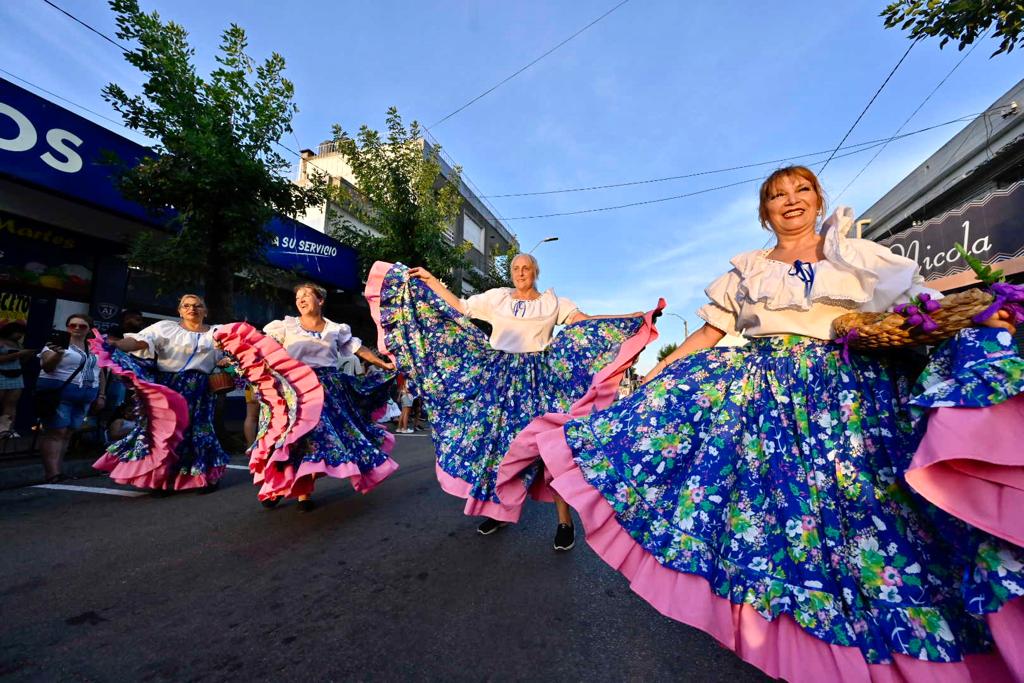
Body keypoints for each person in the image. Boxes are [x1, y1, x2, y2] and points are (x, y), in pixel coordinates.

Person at [520, 166, 1023, 680]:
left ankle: (888, 642)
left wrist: (984, 319)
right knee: (783, 521)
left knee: (873, 518)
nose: (790, 200)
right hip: (763, 406)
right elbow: (708, 333)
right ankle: (802, 640)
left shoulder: (859, 257)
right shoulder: (747, 270)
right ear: (765, 212)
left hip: (849, 408)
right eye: (777, 195)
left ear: (818, 199)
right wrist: (657, 373)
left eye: (801, 190)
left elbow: (920, 312)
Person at [365, 254, 660, 551]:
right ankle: (499, 511)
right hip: (500, 382)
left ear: (536, 272)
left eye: (526, 268)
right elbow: (461, 307)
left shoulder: (553, 302)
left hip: (540, 381)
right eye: (516, 268)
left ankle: (564, 522)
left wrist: (633, 320)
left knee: (549, 450)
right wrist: (430, 281)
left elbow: (585, 324)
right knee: (498, 449)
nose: (520, 273)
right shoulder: (497, 298)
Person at [231, 283, 397, 512]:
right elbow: (263, 347)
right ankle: (274, 486)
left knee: (313, 441)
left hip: (325, 392)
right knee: (284, 439)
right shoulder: (285, 326)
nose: (301, 300)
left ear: (320, 300)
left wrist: (383, 363)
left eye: (306, 295)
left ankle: (303, 493)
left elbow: (359, 350)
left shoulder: (336, 329)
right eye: (298, 296)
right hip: (292, 390)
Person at [95, 294, 230, 492]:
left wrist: (227, 361)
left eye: (197, 305)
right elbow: (140, 343)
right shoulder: (165, 328)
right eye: (187, 305)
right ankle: (161, 479)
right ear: (180, 310)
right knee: (164, 433)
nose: (192, 309)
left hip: (201, 388)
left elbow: (234, 353)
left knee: (200, 430)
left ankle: (204, 476)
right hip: (169, 387)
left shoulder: (218, 332)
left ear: (205, 310)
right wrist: (116, 344)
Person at [36, 315, 106, 482]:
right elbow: (47, 366)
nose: (76, 328)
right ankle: (52, 474)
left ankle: (58, 470)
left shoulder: (94, 348)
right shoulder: (55, 345)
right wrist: (58, 354)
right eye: (72, 325)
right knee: (56, 432)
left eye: (82, 326)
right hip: (59, 394)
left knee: (68, 432)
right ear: (67, 327)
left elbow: (100, 372)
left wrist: (102, 395)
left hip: (84, 397)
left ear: (89, 329)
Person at [0, 322, 33, 438]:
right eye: (18, 333)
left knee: (11, 403)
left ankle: (7, 429)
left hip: (16, 374)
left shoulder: (18, 344)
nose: (19, 335)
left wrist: (26, 355)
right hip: (2, 373)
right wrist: (17, 355)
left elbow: (22, 362)